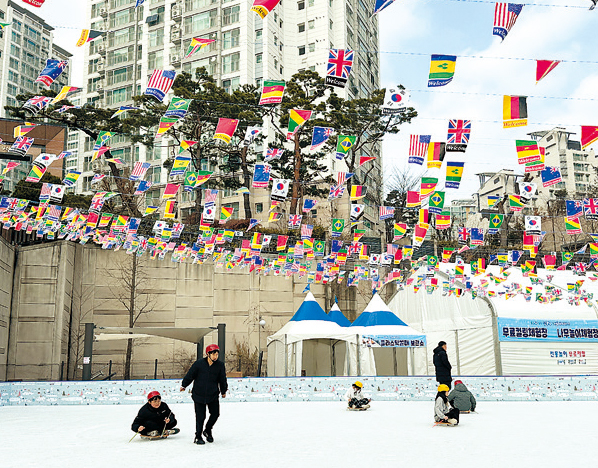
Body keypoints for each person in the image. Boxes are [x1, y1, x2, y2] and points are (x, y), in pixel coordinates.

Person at [180, 344, 228, 445]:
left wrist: (223, 391)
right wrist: (184, 385)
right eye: (213, 354)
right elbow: (190, 375)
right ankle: (198, 436)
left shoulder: (220, 365)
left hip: (213, 395)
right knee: (200, 416)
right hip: (199, 395)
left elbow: (222, 379)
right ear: (208, 354)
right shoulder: (199, 364)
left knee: (215, 414)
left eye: (217, 354)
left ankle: (208, 430)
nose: (215, 356)